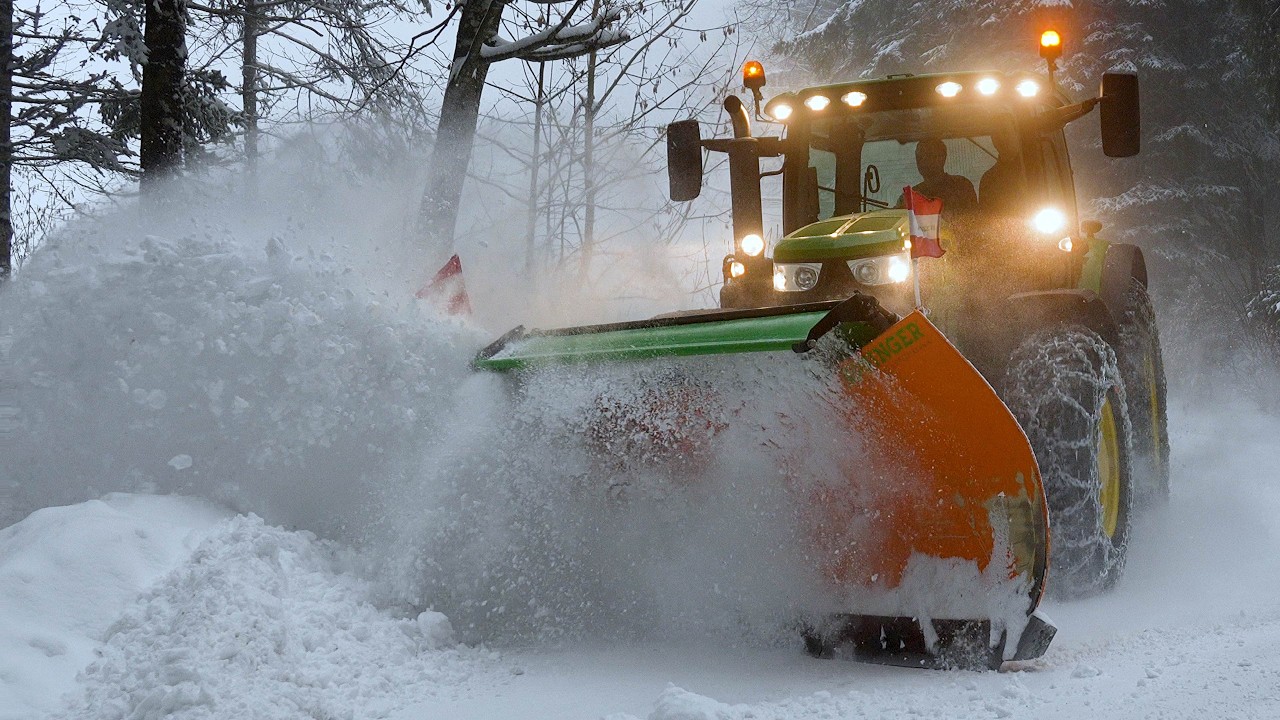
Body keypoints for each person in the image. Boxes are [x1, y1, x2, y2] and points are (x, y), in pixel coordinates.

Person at [907, 138, 977, 215]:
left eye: (929, 155)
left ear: (943, 157)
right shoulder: (909, 198)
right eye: (919, 157)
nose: (923, 161)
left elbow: (974, 218)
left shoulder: (961, 186)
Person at [979, 133, 1024, 216]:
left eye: (1006, 134)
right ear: (993, 141)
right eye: (997, 136)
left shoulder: (1037, 169)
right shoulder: (988, 179)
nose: (1002, 140)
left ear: (1017, 136)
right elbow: (986, 215)